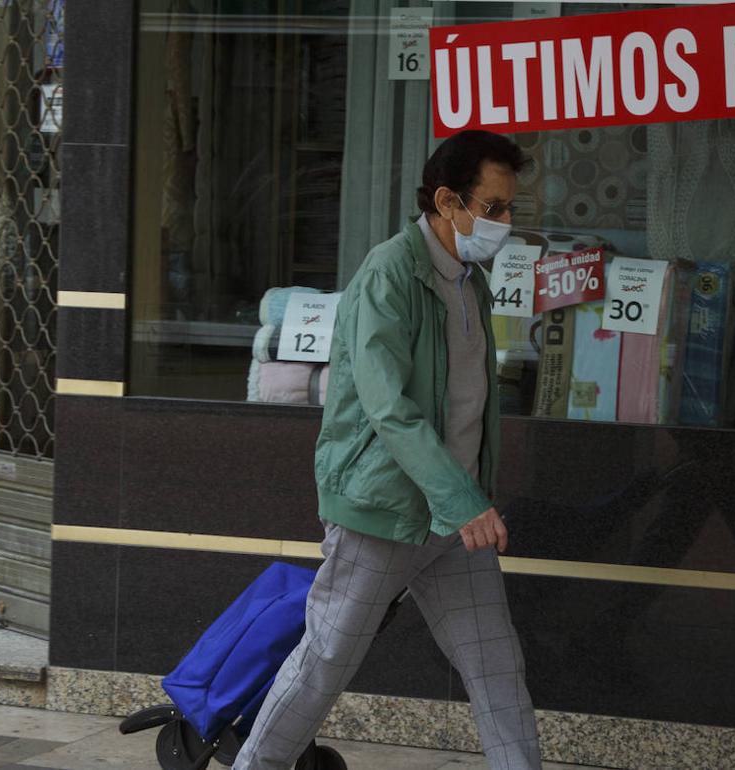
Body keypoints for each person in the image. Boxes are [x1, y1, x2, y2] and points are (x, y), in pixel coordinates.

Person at [232, 131, 542, 770]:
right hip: (386, 511)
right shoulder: (390, 272)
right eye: (494, 208)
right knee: (325, 663)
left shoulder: (469, 282)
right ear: (449, 202)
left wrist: (467, 497)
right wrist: (463, 498)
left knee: (496, 665)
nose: (506, 223)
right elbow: (388, 407)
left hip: (454, 520)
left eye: (511, 208)